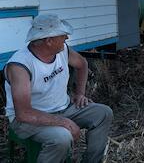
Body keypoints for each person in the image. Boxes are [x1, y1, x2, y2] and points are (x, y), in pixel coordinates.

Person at [4, 14, 113, 163]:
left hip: (64, 108)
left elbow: (82, 64)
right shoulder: (20, 65)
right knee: (61, 138)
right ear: (49, 40)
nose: (67, 38)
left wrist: (80, 93)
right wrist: (64, 122)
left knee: (103, 113)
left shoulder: (62, 50)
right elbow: (23, 114)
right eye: (62, 35)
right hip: (28, 120)